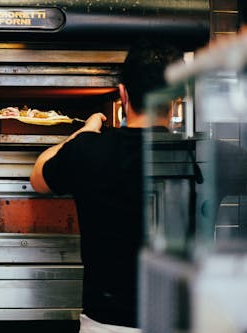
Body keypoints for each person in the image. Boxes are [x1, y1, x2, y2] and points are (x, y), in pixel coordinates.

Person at [30, 39, 184, 332]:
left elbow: (38, 177)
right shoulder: (198, 154)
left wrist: (83, 133)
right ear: (178, 95)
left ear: (123, 94)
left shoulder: (88, 150)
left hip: (105, 325)